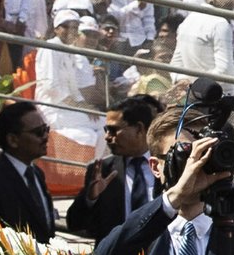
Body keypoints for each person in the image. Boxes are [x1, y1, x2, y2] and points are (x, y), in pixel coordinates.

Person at [89, 117, 234, 255]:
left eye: (201, 155)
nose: (194, 166)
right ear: (155, 167)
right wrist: (175, 195)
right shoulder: (139, 237)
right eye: (183, 155)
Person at [69, 94, 166, 237]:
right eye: (106, 130)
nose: (107, 137)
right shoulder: (102, 171)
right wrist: (91, 198)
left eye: (113, 130)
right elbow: (75, 224)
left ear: (139, 129)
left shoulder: (167, 165)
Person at [0, 100, 58, 240]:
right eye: (38, 132)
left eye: (46, 130)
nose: (45, 137)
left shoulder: (37, 175)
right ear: (13, 140)